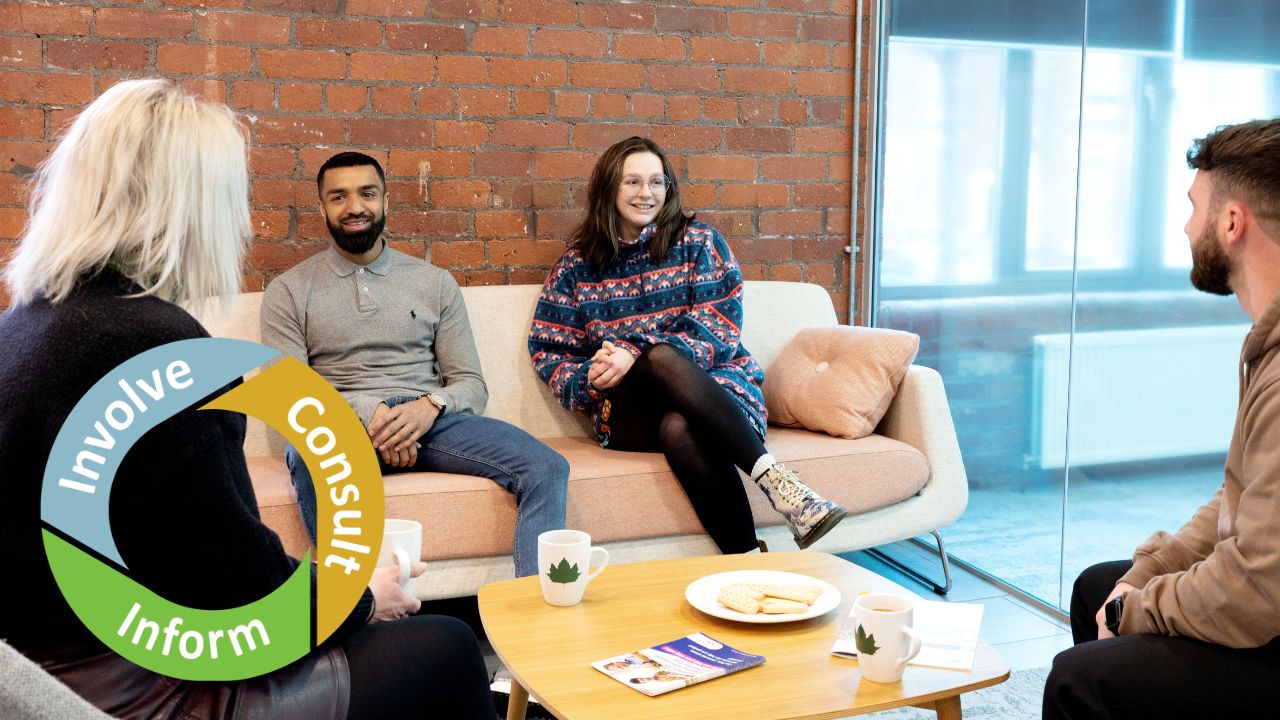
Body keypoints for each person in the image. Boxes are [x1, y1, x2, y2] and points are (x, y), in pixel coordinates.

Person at [0, 79, 494, 719]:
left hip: (38, 672)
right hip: (134, 688)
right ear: (193, 205)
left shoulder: (22, 326)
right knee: (448, 649)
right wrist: (363, 597)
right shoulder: (156, 348)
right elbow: (235, 591)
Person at [1043, 118, 1280, 719]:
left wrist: (1135, 610)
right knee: (1099, 584)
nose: (1184, 225)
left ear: (1232, 223)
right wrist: (1148, 574)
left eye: (1194, 206)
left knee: (1081, 679)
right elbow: (1235, 498)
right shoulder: (1265, 345)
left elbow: (1257, 588)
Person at [528, 136, 847, 553]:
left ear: (669, 188)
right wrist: (591, 376)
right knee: (657, 355)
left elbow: (719, 327)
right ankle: (779, 485)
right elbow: (549, 351)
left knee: (679, 426)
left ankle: (747, 558)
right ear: (608, 187)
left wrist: (632, 351)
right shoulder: (576, 267)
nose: (646, 193)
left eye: (656, 182)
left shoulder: (700, 244)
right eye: (632, 182)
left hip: (716, 394)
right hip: (627, 410)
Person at [260, 151, 569, 579]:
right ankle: (354, 607)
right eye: (339, 197)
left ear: (386, 201)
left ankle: (535, 608)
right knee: (310, 453)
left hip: (430, 420)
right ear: (322, 208)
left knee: (547, 466)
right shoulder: (289, 290)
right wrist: (373, 416)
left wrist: (429, 406)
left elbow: (471, 384)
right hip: (338, 424)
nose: (354, 207)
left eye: (367, 193)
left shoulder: (433, 282)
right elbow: (286, 395)